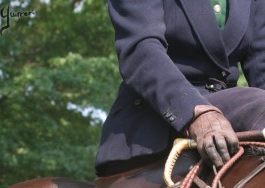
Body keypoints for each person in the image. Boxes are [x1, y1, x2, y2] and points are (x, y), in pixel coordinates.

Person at [95, 0, 265, 177]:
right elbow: (141, 51)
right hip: (158, 118)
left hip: (234, 113)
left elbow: (261, 65)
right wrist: (196, 113)